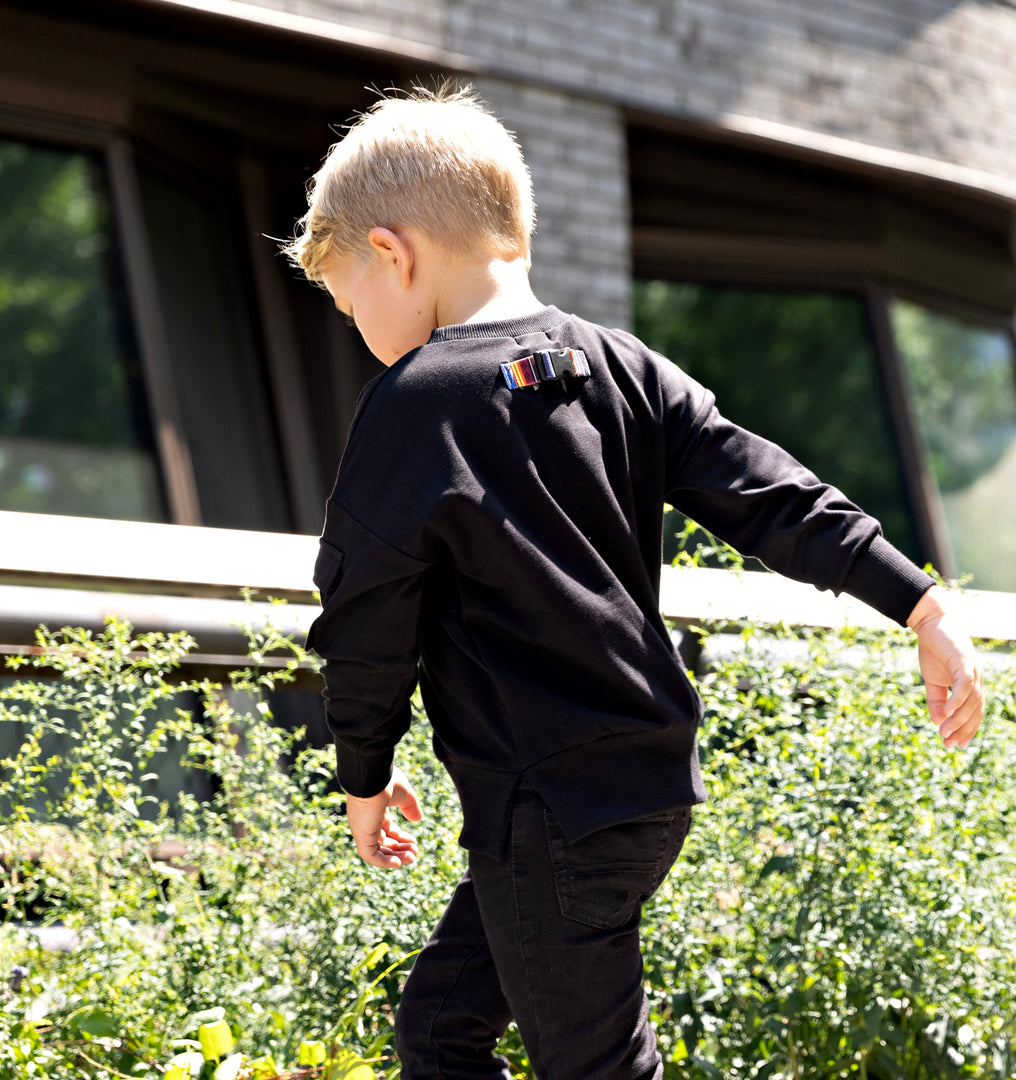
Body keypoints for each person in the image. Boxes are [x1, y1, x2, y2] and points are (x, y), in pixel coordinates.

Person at [284, 86, 984, 1080]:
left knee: (599, 1068)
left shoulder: (417, 405)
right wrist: (918, 599)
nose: (363, 330)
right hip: (639, 787)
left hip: (546, 805)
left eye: (354, 304)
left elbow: (366, 613)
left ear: (394, 254)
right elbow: (769, 494)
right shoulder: (621, 369)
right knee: (441, 1028)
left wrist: (361, 767)